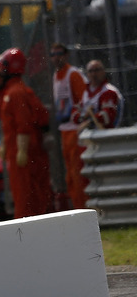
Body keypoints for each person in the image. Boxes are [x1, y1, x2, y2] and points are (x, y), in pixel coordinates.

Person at [0, 48, 52, 219]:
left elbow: (23, 124)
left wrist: (22, 150)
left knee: (25, 195)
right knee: (25, 193)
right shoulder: (14, 91)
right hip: (20, 151)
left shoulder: (15, 93)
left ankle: (24, 229)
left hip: (24, 154)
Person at [50, 43, 88, 209]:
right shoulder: (56, 75)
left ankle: (84, 208)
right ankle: (77, 207)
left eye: (59, 54)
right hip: (64, 131)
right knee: (70, 176)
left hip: (75, 130)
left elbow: (83, 102)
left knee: (77, 173)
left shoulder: (73, 74)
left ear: (66, 56)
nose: (56, 57)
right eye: (53, 54)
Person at [72, 60, 124, 131]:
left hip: (105, 135)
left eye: (97, 70)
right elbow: (73, 115)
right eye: (90, 71)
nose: (94, 74)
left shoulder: (109, 91)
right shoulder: (82, 91)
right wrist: (83, 117)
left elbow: (108, 116)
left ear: (103, 72)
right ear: (87, 74)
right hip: (85, 135)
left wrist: (89, 120)